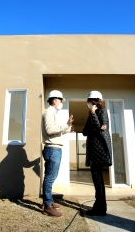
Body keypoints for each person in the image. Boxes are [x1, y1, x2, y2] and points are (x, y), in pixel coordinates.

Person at [41, 90, 74, 218]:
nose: (61, 103)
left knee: (51, 177)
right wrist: (65, 125)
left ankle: (49, 202)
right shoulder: (49, 112)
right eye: (60, 100)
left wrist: (67, 128)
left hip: (55, 149)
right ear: (54, 100)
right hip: (52, 149)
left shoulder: (52, 112)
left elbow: (54, 131)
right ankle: (47, 206)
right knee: (49, 178)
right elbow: (49, 130)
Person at [82, 90, 113, 216]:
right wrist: (94, 128)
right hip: (94, 151)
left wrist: (93, 114)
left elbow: (100, 127)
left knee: (98, 179)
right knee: (97, 179)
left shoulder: (102, 112)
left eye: (89, 101)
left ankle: (99, 208)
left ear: (95, 101)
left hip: (99, 151)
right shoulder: (91, 114)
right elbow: (84, 131)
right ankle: (101, 207)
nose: (88, 103)